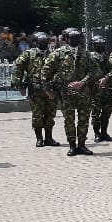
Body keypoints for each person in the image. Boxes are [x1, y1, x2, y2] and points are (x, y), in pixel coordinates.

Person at [41, 28, 100, 156]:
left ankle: (82, 145)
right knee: (69, 120)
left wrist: (83, 82)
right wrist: (48, 89)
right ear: (66, 39)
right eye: (72, 38)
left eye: (77, 38)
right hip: (66, 93)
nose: (75, 41)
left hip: (83, 93)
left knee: (84, 120)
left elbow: (95, 71)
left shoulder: (86, 54)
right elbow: (45, 72)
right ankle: (72, 145)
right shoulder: (58, 54)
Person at [11, 31, 60, 147]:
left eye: (45, 41)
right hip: (35, 91)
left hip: (51, 91)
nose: (43, 43)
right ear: (35, 42)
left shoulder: (53, 55)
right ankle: (39, 138)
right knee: (37, 115)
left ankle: (49, 138)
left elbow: (61, 70)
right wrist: (19, 85)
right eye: (41, 41)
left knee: (50, 115)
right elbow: (17, 68)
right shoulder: (28, 54)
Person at [88, 36, 112, 143]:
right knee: (95, 113)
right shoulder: (89, 57)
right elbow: (87, 71)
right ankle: (97, 133)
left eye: (102, 44)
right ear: (93, 45)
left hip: (107, 89)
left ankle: (104, 132)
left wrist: (106, 78)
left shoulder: (107, 57)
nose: (100, 46)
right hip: (95, 89)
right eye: (97, 44)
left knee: (106, 112)